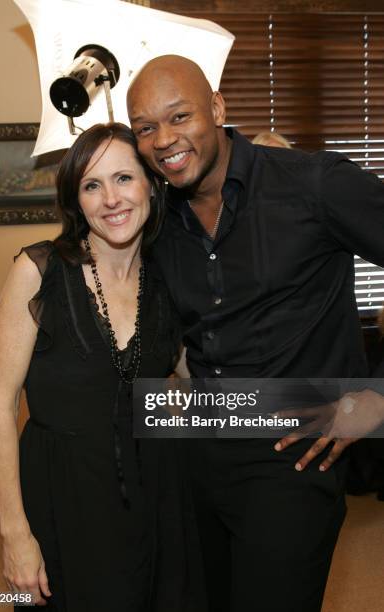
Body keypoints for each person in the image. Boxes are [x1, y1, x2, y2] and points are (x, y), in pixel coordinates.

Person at [126, 55, 384, 612]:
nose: (164, 139)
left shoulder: (312, 184)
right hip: (197, 451)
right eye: (145, 128)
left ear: (217, 108)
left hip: (294, 454)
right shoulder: (159, 221)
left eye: (179, 116)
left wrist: (380, 398)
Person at [0, 122, 194, 612]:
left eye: (124, 178)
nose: (111, 199)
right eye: (91, 185)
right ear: (75, 199)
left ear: (151, 184)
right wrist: (14, 532)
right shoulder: (38, 272)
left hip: (155, 496)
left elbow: (186, 381)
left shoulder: (171, 278)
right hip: (64, 502)